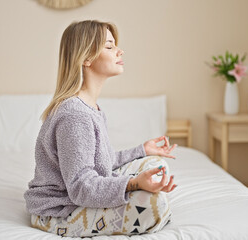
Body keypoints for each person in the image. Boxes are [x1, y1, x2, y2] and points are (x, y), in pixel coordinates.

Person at [24, 20, 177, 237]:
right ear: (86, 58)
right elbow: (80, 187)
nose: (119, 51)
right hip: (59, 212)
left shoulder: (90, 108)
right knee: (155, 205)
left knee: (156, 164)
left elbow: (100, 163)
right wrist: (133, 184)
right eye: (109, 46)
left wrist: (142, 151)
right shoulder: (74, 116)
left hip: (79, 196)